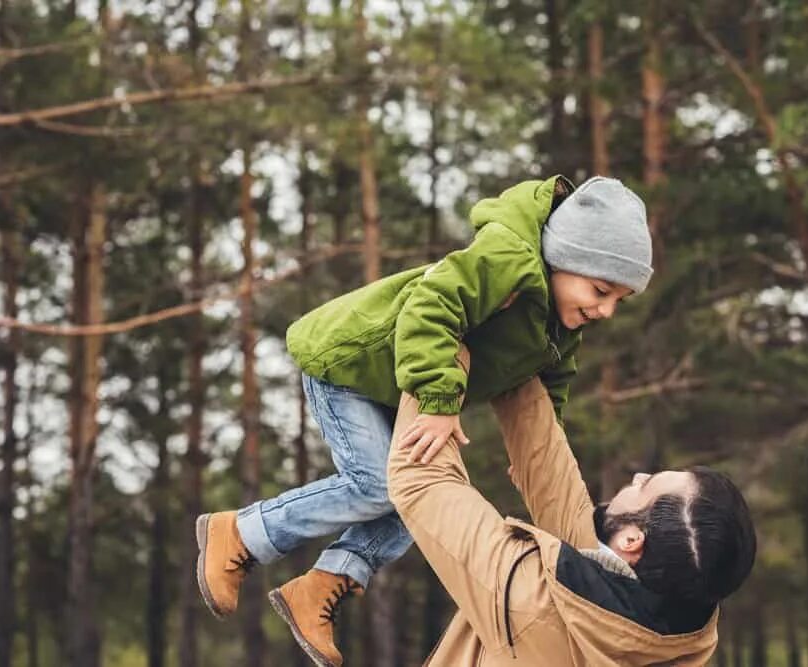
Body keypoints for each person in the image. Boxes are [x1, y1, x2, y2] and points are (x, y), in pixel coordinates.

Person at [194, 175, 655, 665]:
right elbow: (431, 307)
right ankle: (242, 532)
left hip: (395, 387)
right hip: (353, 364)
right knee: (377, 484)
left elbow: (550, 385)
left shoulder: (559, 324)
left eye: (618, 301)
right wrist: (439, 403)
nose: (605, 310)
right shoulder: (507, 260)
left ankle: (326, 583)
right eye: (600, 290)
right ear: (566, 256)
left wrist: (535, 456)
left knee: (421, 500)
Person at [387, 349, 757, 666]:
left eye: (648, 484)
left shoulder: (532, 605)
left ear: (631, 539)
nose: (640, 476)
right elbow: (555, 487)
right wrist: (514, 348)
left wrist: (446, 350)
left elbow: (420, 479)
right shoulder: (668, 628)